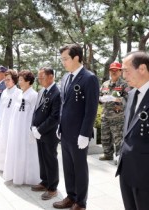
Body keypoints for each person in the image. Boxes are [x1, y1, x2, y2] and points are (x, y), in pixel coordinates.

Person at [53, 44, 99, 210]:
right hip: (65, 132)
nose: (63, 62)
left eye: (65, 59)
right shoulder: (66, 77)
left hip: (79, 134)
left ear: (76, 57)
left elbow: (91, 108)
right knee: (68, 167)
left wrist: (85, 133)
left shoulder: (89, 78)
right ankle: (71, 196)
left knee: (80, 169)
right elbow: (63, 105)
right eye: (62, 59)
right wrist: (59, 125)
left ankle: (80, 202)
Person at [116, 51, 149, 210]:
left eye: (126, 70)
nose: (123, 75)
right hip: (127, 169)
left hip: (145, 174)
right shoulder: (132, 94)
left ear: (142, 69)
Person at [3, 70, 40, 185]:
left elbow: (35, 114)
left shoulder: (34, 95)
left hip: (26, 128)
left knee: (26, 152)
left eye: (21, 80)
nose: (18, 82)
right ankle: (16, 174)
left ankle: (28, 177)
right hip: (16, 127)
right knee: (17, 150)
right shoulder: (20, 93)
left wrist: (32, 129)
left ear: (28, 81)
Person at [31, 67, 61, 200]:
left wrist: (40, 130)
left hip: (49, 134)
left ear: (51, 77)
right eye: (39, 77)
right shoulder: (42, 91)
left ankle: (52, 187)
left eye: (42, 77)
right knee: (42, 158)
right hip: (39, 132)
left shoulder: (57, 92)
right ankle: (45, 181)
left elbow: (55, 117)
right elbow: (36, 111)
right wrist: (33, 126)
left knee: (50, 159)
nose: (39, 80)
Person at [99, 62, 130, 162]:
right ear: (109, 71)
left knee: (118, 138)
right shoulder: (105, 84)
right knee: (105, 137)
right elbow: (99, 96)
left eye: (116, 70)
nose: (114, 72)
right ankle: (107, 154)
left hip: (118, 117)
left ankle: (120, 156)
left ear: (120, 71)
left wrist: (117, 99)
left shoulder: (124, 84)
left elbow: (128, 98)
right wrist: (101, 99)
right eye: (112, 70)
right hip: (105, 115)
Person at [0, 70, 22, 171]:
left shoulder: (18, 93)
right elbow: (1, 109)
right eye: (5, 80)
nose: (6, 82)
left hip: (13, 125)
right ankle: (3, 166)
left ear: (14, 80)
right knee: (3, 144)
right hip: (3, 124)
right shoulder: (4, 93)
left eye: (8, 80)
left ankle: (12, 168)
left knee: (12, 146)